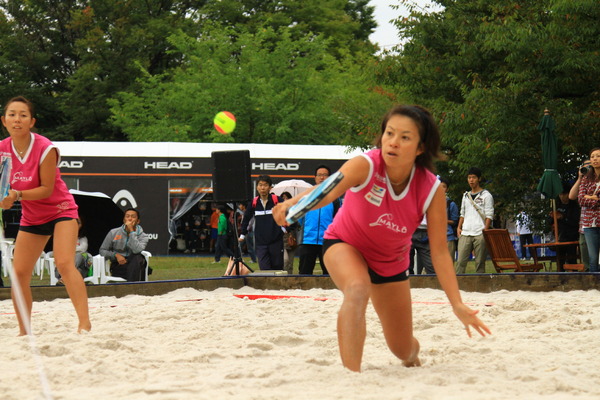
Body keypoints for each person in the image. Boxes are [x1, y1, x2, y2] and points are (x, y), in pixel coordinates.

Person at [273, 105, 490, 372]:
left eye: (405, 137)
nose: (393, 142)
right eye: (389, 133)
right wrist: (292, 205)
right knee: (357, 288)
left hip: (391, 263)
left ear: (420, 148)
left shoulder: (431, 187)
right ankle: (353, 377)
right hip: (345, 244)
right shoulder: (365, 164)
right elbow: (327, 191)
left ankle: (412, 355)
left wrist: (457, 304)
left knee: (402, 348)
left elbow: (440, 252)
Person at [0, 96, 91, 334]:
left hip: (60, 210)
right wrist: (4, 199)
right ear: (4, 120)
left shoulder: (45, 147)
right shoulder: (2, 150)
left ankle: (84, 323)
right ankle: (24, 330)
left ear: (32, 121)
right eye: (12, 114)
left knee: (63, 263)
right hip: (32, 216)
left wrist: (16, 195)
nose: (17, 119)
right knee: (18, 273)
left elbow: (46, 190)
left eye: (22, 115)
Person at [298, 165, 340, 275]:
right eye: (319, 175)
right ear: (315, 177)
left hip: (327, 240)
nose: (322, 178)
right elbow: (299, 218)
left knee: (330, 274)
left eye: (325, 175)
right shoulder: (306, 196)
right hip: (308, 240)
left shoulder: (335, 197)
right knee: (304, 273)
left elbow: (338, 219)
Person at [239, 175, 284, 270]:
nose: (262, 188)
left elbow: (290, 213)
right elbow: (246, 218)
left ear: (270, 187)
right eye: (260, 185)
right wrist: (242, 234)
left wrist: (285, 229)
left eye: (265, 185)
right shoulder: (254, 203)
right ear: (257, 187)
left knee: (277, 268)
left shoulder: (277, 200)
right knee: (264, 269)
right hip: (260, 243)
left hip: (276, 242)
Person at [456, 167, 494, 274]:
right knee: (460, 261)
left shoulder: (486, 195)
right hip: (466, 232)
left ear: (479, 179)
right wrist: (459, 227)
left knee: (479, 262)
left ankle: (480, 287)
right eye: (469, 177)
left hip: (480, 232)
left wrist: (485, 230)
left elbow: (489, 215)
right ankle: (458, 286)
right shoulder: (465, 196)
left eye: (473, 177)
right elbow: (462, 213)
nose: (471, 180)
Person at [100, 208, 149, 281]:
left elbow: (136, 250)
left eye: (133, 217)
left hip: (135, 263)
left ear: (138, 221)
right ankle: (134, 286)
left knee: (138, 258)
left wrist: (132, 232)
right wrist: (115, 255)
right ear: (124, 220)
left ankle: (131, 286)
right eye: (127, 216)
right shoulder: (113, 232)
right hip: (119, 264)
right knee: (136, 270)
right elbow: (102, 250)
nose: (130, 219)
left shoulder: (143, 236)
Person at [577, 148, 600, 272]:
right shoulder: (586, 178)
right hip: (589, 223)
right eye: (592, 156)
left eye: (598, 156)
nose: (595, 158)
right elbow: (580, 199)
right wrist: (594, 198)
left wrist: (589, 197)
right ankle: (594, 286)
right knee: (593, 257)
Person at [569, 160, 591, 270]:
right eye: (585, 167)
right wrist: (579, 178)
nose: (587, 169)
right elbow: (572, 196)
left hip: (596, 224)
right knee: (586, 261)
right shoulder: (582, 183)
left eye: (589, 166)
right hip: (584, 227)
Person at [553, 185, 580, 271]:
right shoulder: (557, 205)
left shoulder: (574, 207)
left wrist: (563, 217)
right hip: (560, 237)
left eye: (564, 194)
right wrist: (552, 217)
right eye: (560, 194)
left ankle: (574, 275)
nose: (562, 196)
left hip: (571, 236)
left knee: (572, 258)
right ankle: (560, 274)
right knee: (560, 259)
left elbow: (575, 222)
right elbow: (550, 221)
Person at [440, 177, 459, 260]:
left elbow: (455, 221)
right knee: (430, 267)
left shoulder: (451, 204)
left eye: (443, 187)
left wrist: (444, 220)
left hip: (448, 237)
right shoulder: (431, 202)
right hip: (434, 238)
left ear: (447, 189)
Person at [281, 192, 299, 274]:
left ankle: (290, 277)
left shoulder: (294, 210)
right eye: (283, 198)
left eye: (287, 198)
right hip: (282, 238)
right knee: (285, 260)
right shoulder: (279, 211)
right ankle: (283, 277)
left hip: (291, 237)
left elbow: (296, 224)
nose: (285, 200)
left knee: (290, 263)